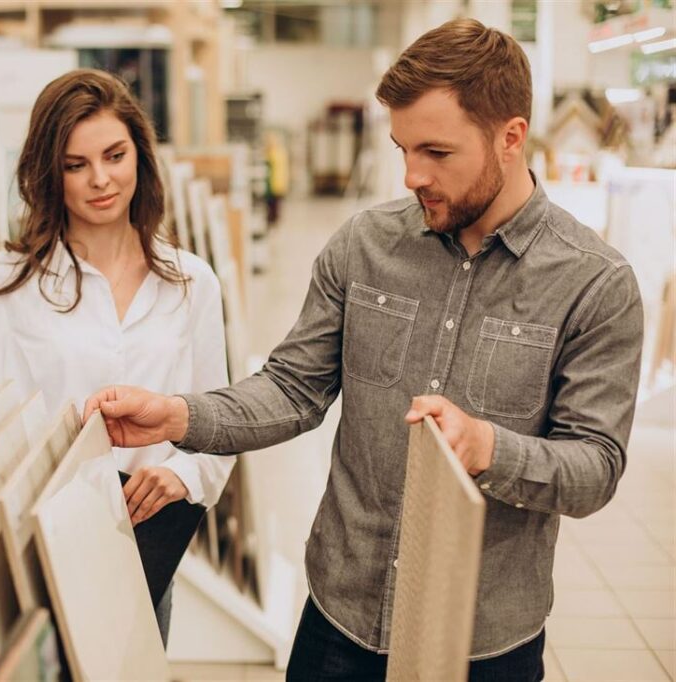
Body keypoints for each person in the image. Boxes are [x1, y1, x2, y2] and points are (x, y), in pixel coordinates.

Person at [83, 19, 643, 680]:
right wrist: (180, 415)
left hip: (482, 642)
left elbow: (594, 467)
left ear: (510, 137)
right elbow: (293, 387)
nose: (411, 175)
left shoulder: (594, 284)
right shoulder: (364, 246)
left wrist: (487, 448)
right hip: (339, 623)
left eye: (436, 152)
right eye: (402, 149)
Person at [0, 69, 233, 644]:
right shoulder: (7, 284)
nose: (101, 180)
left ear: (141, 155)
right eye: (75, 164)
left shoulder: (192, 283)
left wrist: (181, 474)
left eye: (114, 155)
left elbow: (220, 421)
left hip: (146, 548)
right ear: (48, 173)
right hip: (42, 546)